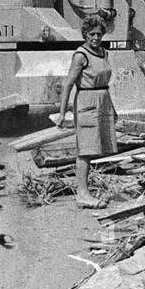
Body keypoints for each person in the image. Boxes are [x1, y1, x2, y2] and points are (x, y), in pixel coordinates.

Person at [55, 13, 118, 209]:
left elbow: (105, 84)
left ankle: (85, 190)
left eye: (99, 34)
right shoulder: (80, 55)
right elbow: (67, 85)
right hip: (87, 103)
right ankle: (82, 193)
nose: (96, 38)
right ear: (85, 34)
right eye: (91, 34)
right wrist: (62, 113)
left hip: (102, 101)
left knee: (96, 148)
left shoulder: (104, 53)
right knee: (85, 150)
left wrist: (112, 109)